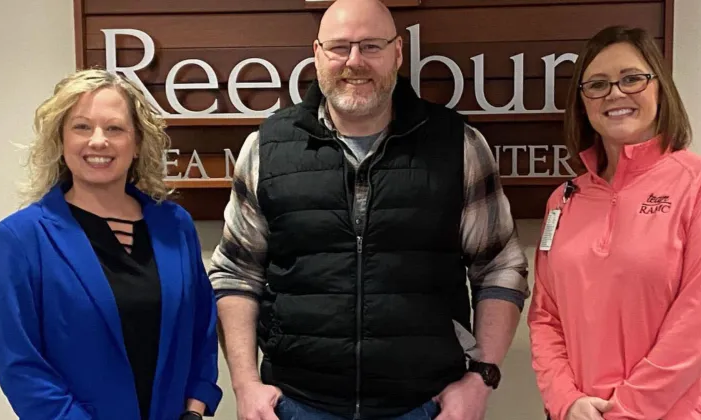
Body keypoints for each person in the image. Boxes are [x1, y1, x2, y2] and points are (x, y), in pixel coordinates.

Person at [208, 0, 529, 419]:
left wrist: (481, 377)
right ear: (317, 53)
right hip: (297, 403)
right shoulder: (267, 148)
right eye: (340, 47)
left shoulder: (458, 145)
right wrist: (245, 384)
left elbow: (499, 266)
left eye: (371, 47)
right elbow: (236, 273)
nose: (354, 62)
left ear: (398, 52)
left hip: (425, 404)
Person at [528, 25, 701, 420]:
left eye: (631, 78)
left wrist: (624, 411)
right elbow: (546, 317)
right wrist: (565, 400)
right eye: (597, 84)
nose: (615, 93)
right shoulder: (563, 199)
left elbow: (700, 326)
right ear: (582, 103)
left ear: (660, 88)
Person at [0, 69, 222, 420]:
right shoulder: (20, 238)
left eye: (115, 128)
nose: (98, 141)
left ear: (137, 142)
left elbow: (202, 326)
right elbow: (21, 366)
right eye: (81, 127)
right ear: (60, 140)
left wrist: (196, 407)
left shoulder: (174, 225)